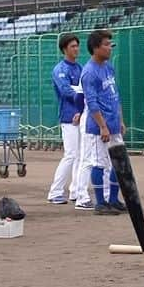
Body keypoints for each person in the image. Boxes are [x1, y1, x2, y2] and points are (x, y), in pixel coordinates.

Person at [79, 29, 127, 216]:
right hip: (99, 128)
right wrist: (103, 126)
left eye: (110, 44)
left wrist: (120, 120)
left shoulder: (108, 67)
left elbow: (116, 96)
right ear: (95, 48)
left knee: (119, 163)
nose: (110, 48)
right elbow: (92, 103)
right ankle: (100, 203)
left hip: (114, 123)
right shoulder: (89, 72)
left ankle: (114, 199)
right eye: (106, 45)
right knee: (98, 163)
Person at [47, 33, 85, 205]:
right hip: (68, 116)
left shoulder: (80, 68)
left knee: (80, 155)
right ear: (64, 49)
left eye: (77, 45)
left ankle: (75, 190)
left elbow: (84, 90)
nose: (76, 49)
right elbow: (66, 91)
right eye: (72, 46)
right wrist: (80, 99)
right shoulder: (60, 69)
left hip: (81, 115)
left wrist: (82, 108)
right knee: (70, 154)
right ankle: (55, 191)